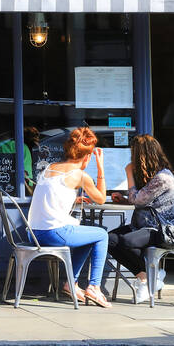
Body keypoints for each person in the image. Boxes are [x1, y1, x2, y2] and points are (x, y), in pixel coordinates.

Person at [26, 126, 112, 307]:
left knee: (87, 236)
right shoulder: (79, 175)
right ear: (87, 157)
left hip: (33, 232)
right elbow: (101, 198)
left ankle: (70, 283)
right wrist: (101, 168)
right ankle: (94, 287)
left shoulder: (50, 168)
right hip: (53, 233)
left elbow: (51, 194)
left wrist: (74, 197)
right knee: (102, 234)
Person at [107, 134, 174, 304]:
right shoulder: (152, 176)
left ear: (142, 156)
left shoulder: (162, 178)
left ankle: (151, 277)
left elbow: (138, 200)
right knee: (110, 240)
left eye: (133, 154)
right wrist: (124, 199)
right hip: (145, 226)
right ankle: (146, 276)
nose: (132, 159)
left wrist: (128, 174)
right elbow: (143, 199)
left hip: (164, 229)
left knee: (127, 242)